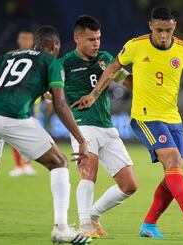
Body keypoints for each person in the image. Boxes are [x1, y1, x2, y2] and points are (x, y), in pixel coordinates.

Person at [72, 7, 183, 239]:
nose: (164, 35)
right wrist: (95, 94)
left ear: (174, 25)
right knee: (174, 161)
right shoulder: (136, 45)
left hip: (172, 118)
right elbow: (114, 68)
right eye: (159, 30)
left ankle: (149, 224)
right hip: (145, 116)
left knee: (173, 172)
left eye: (168, 30)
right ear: (150, 26)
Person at [0, 25, 91, 244]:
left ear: (35, 43)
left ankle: (62, 228)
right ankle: (61, 228)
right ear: (55, 46)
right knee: (59, 162)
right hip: (13, 117)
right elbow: (60, 104)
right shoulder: (51, 62)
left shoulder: (10, 56)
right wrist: (81, 139)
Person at [59, 15, 137, 238]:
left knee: (129, 186)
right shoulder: (65, 64)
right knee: (88, 173)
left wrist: (145, 72)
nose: (96, 44)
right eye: (91, 39)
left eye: (99, 38)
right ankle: (84, 225)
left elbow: (127, 81)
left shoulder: (105, 59)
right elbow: (51, 92)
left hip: (107, 126)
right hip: (83, 125)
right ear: (77, 38)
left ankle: (92, 216)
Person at [9, 29, 38, 177]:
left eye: (29, 39)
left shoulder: (38, 59)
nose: (26, 42)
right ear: (19, 40)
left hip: (31, 102)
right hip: (13, 102)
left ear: (33, 41)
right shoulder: (11, 57)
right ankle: (18, 165)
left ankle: (27, 164)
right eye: (24, 39)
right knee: (13, 135)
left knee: (29, 134)